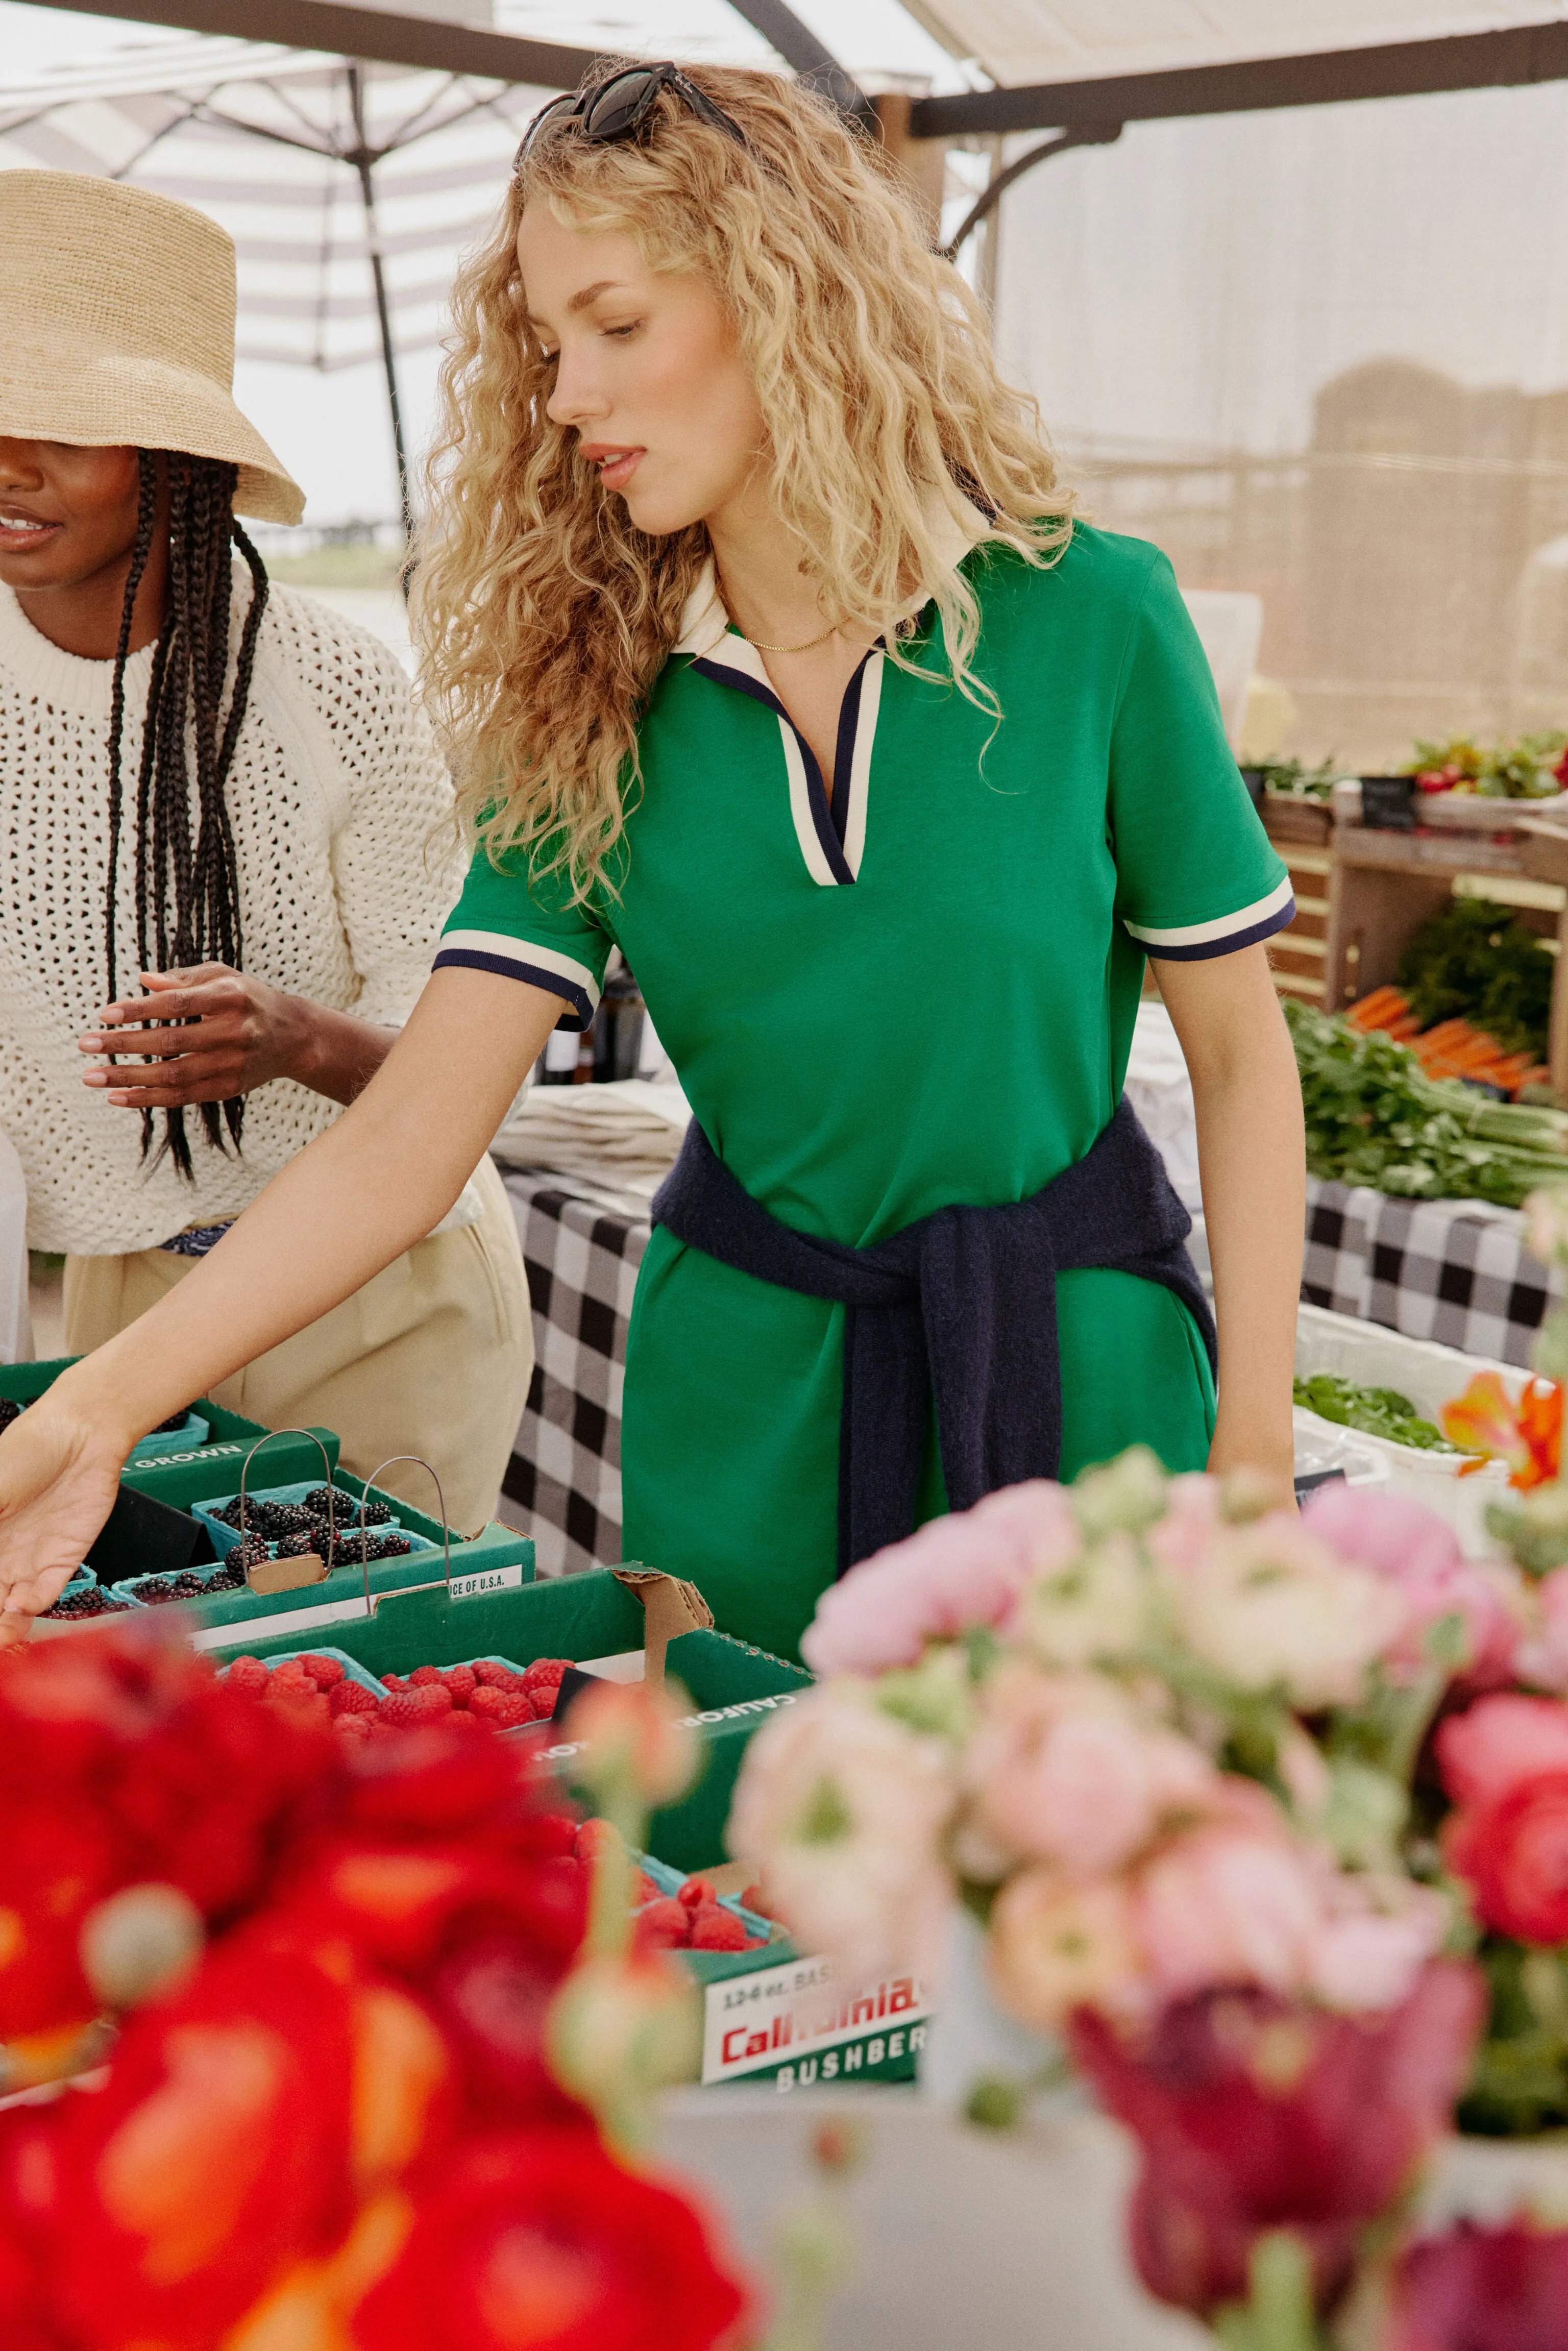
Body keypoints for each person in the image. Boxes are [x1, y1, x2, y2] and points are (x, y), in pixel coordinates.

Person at [0, 71, 1305, 1658]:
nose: (565, 394)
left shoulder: (1095, 616)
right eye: (549, 346)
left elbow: (1239, 1057)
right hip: (741, 1403)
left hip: (1083, 1374)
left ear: (787, 300)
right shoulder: (593, 701)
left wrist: (1252, 1452)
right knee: (758, 1866)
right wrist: (98, 1408)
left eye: (615, 326)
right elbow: (412, 1132)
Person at [0, 170, 531, 1534]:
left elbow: (466, 1069)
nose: (10, 458)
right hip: (127, 1298)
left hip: (387, 1301)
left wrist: (298, 1039)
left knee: (374, 1698)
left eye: (64, 422)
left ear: (176, 457)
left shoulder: (335, 687)